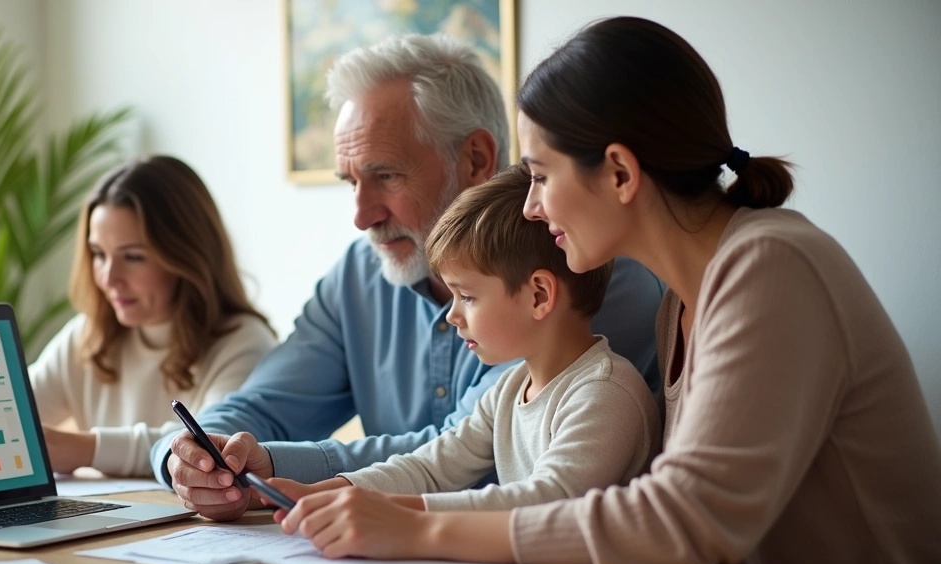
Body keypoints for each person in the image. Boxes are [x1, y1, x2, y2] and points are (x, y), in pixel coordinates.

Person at [283, 17, 941, 564]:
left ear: (622, 173)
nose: (533, 206)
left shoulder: (770, 265)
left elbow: (683, 519)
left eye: (540, 175)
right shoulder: (678, 304)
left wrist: (418, 528)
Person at [154, 34, 667, 522]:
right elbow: (429, 462)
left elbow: (527, 496)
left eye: (386, 175)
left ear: (475, 159)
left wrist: (378, 510)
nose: (361, 216)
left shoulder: (579, 268)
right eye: (351, 181)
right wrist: (203, 460)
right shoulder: (365, 273)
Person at [266, 166, 661, 556]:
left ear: (539, 295)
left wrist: (398, 515)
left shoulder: (604, 393)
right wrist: (327, 491)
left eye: (467, 297)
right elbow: (431, 467)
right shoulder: (509, 389)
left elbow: (548, 501)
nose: (452, 315)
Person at [29, 156, 276, 477]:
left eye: (133, 257)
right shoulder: (86, 336)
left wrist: (86, 449)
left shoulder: (243, 343)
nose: (109, 276)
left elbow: (213, 449)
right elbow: (10, 416)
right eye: (99, 254)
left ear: (186, 255)